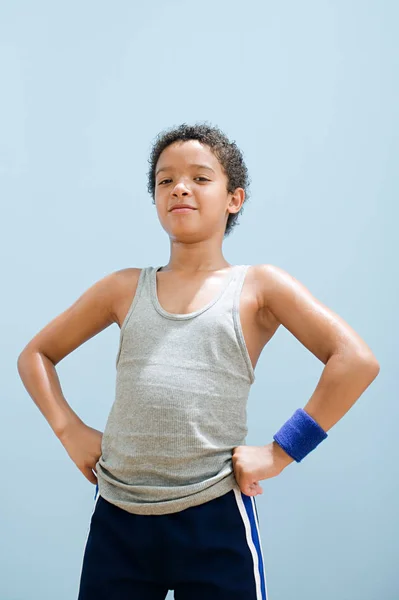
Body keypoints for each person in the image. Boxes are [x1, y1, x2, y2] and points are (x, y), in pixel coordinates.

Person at [17, 122, 380, 599]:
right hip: (118, 515)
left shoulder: (257, 287)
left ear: (235, 198)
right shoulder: (123, 288)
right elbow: (36, 355)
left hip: (213, 515)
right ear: (155, 200)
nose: (179, 187)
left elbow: (355, 361)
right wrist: (68, 429)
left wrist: (280, 452)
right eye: (165, 180)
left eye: (200, 178)